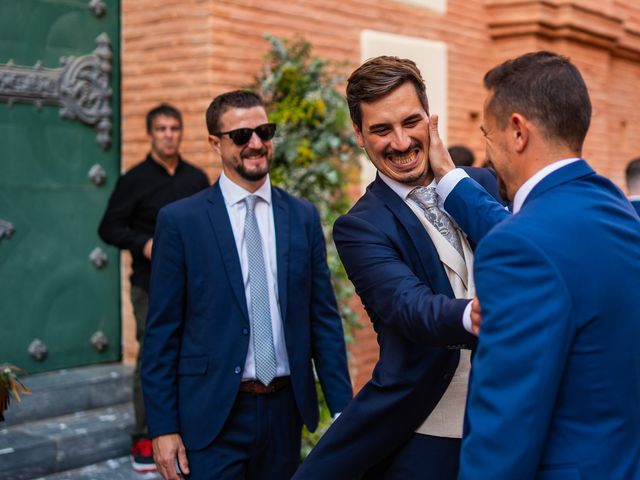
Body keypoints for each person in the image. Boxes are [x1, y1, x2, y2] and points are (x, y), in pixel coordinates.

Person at [428, 51, 640, 478]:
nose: (489, 153)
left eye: (488, 135)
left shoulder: (517, 247)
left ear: (518, 131)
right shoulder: (619, 211)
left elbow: (505, 429)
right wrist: (451, 179)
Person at [293, 56, 499, 480]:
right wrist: (475, 314)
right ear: (359, 136)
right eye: (382, 130)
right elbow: (408, 307)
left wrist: (448, 176)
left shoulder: (481, 185)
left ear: (430, 118)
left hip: (507, 421)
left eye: (411, 122)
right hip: (429, 429)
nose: (402, 142)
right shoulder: (361, 225)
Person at [140, 90, 352, 480]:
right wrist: (164, 427)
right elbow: (161, 334)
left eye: (264, 131)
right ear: (214, 143)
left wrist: (342, 410)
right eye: (241, 135)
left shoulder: (302, 216)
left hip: (285, 410)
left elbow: (323, 319)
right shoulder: (181, 222)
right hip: (212, 414)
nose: (256, 144)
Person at [98, 103, 209, 472]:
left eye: (174, 129)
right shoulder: (134, 179)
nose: (168, 135)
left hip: (194, 285)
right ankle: (145, 437)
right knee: (153, 355)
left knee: (192, 352)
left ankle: (186, 429)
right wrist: (143, 243)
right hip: (149, 285)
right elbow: (108, 228)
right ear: (150, 134)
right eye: (161, 129)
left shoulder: (195, 178)